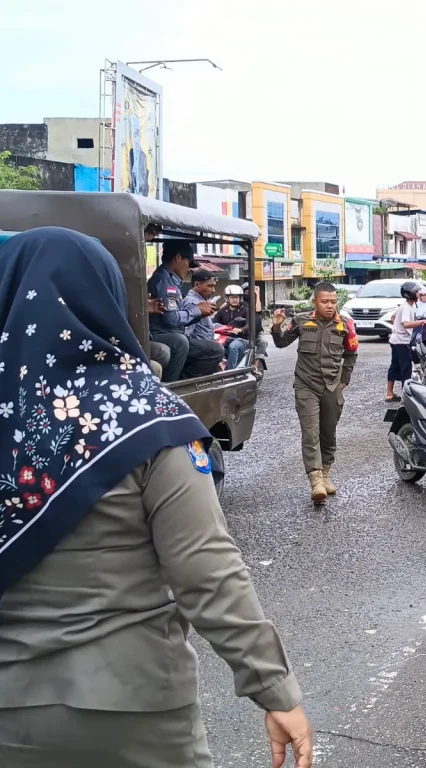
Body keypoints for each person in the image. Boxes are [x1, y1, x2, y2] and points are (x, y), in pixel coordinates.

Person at [0, 228, 312, 768]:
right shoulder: (148, 416)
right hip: (133, 707)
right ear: (107, 297)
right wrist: (274, 688)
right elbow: (207, 570)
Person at [272, 282, 359, 504]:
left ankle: (326, 473)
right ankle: (316, 481)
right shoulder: (302, 321)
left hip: (332, 387)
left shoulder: (345, 324)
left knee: (328, 433)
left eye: (333, 302)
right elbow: (281, 343)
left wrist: (344, 380)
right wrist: (276, 327)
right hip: (306, 385)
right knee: (311, 433)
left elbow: (351, 353)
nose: (330, 306)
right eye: (325, 302)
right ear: (315, 302)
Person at [147, 241, 223, 381]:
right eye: (189, 263)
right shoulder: (164, 282)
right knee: (182, 342)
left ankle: (184, 380)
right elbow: (171, 319)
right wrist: (197, 310)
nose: (189, 269)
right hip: (162, 335)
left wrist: (199, 313)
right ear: (178, 258)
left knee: (215, 349)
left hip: (171, 334)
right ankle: (173, 385)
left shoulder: (171, 281)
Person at [387, 281, 426, 402]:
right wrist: (422, 322)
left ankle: (389, 394)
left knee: (395, 366)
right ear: (410, 294)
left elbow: (393, 317)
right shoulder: (406, 307)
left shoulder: (405, 306)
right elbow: (406, 324)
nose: (418, 294)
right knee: (406, 368)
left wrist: (396, 328)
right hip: (401, 342)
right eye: (416, 292)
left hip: (396, 340)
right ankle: (406, 397)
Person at [213, 284, 251, 369]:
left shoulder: (245, 310)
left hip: (241, 339)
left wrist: (241, 330)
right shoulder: (223, 311)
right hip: (225, 338)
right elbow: (213, 322)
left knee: (233, 347)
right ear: (227, 298)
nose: (235, 300)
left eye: (237, 297)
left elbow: (250, 325)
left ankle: (230, 372)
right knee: (214, 346)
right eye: (232, 297)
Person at [182, 270, 218, 343]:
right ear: (197, 285)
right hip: (199, 347)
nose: (213, 290)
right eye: (210, 286)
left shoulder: (201, 301)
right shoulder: (192, 302)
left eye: (214, 286)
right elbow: (186, 333)